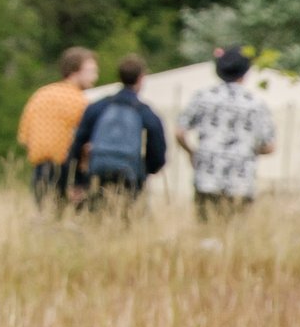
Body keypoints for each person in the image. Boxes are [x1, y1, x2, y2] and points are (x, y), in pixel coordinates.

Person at [179, 44, 277, 213]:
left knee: (206, 231)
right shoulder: (255, 104)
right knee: (235, 235)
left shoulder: (203, 97)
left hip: (207, 178)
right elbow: (270, 146)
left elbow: (180, 132)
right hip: (241, 182)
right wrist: (246, 149)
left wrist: (192, 152)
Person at [67, 53, 167, 204]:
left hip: (98, 169)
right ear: (141, 78)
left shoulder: (99, 106)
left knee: (97, 210)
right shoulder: (144, 111)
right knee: (127, 214)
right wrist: (146, 170)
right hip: (130, 172)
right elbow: (158, 147)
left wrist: (78, 179)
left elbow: (78, 141)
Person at [17, 47, 99, 205]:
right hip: (68, 172)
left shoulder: (40, 95)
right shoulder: (80, 102)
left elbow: (24, 136)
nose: (95, 76)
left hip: (40, 170)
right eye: (90, 71)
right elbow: (88, 143)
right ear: (75, 71)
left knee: (46, 221)